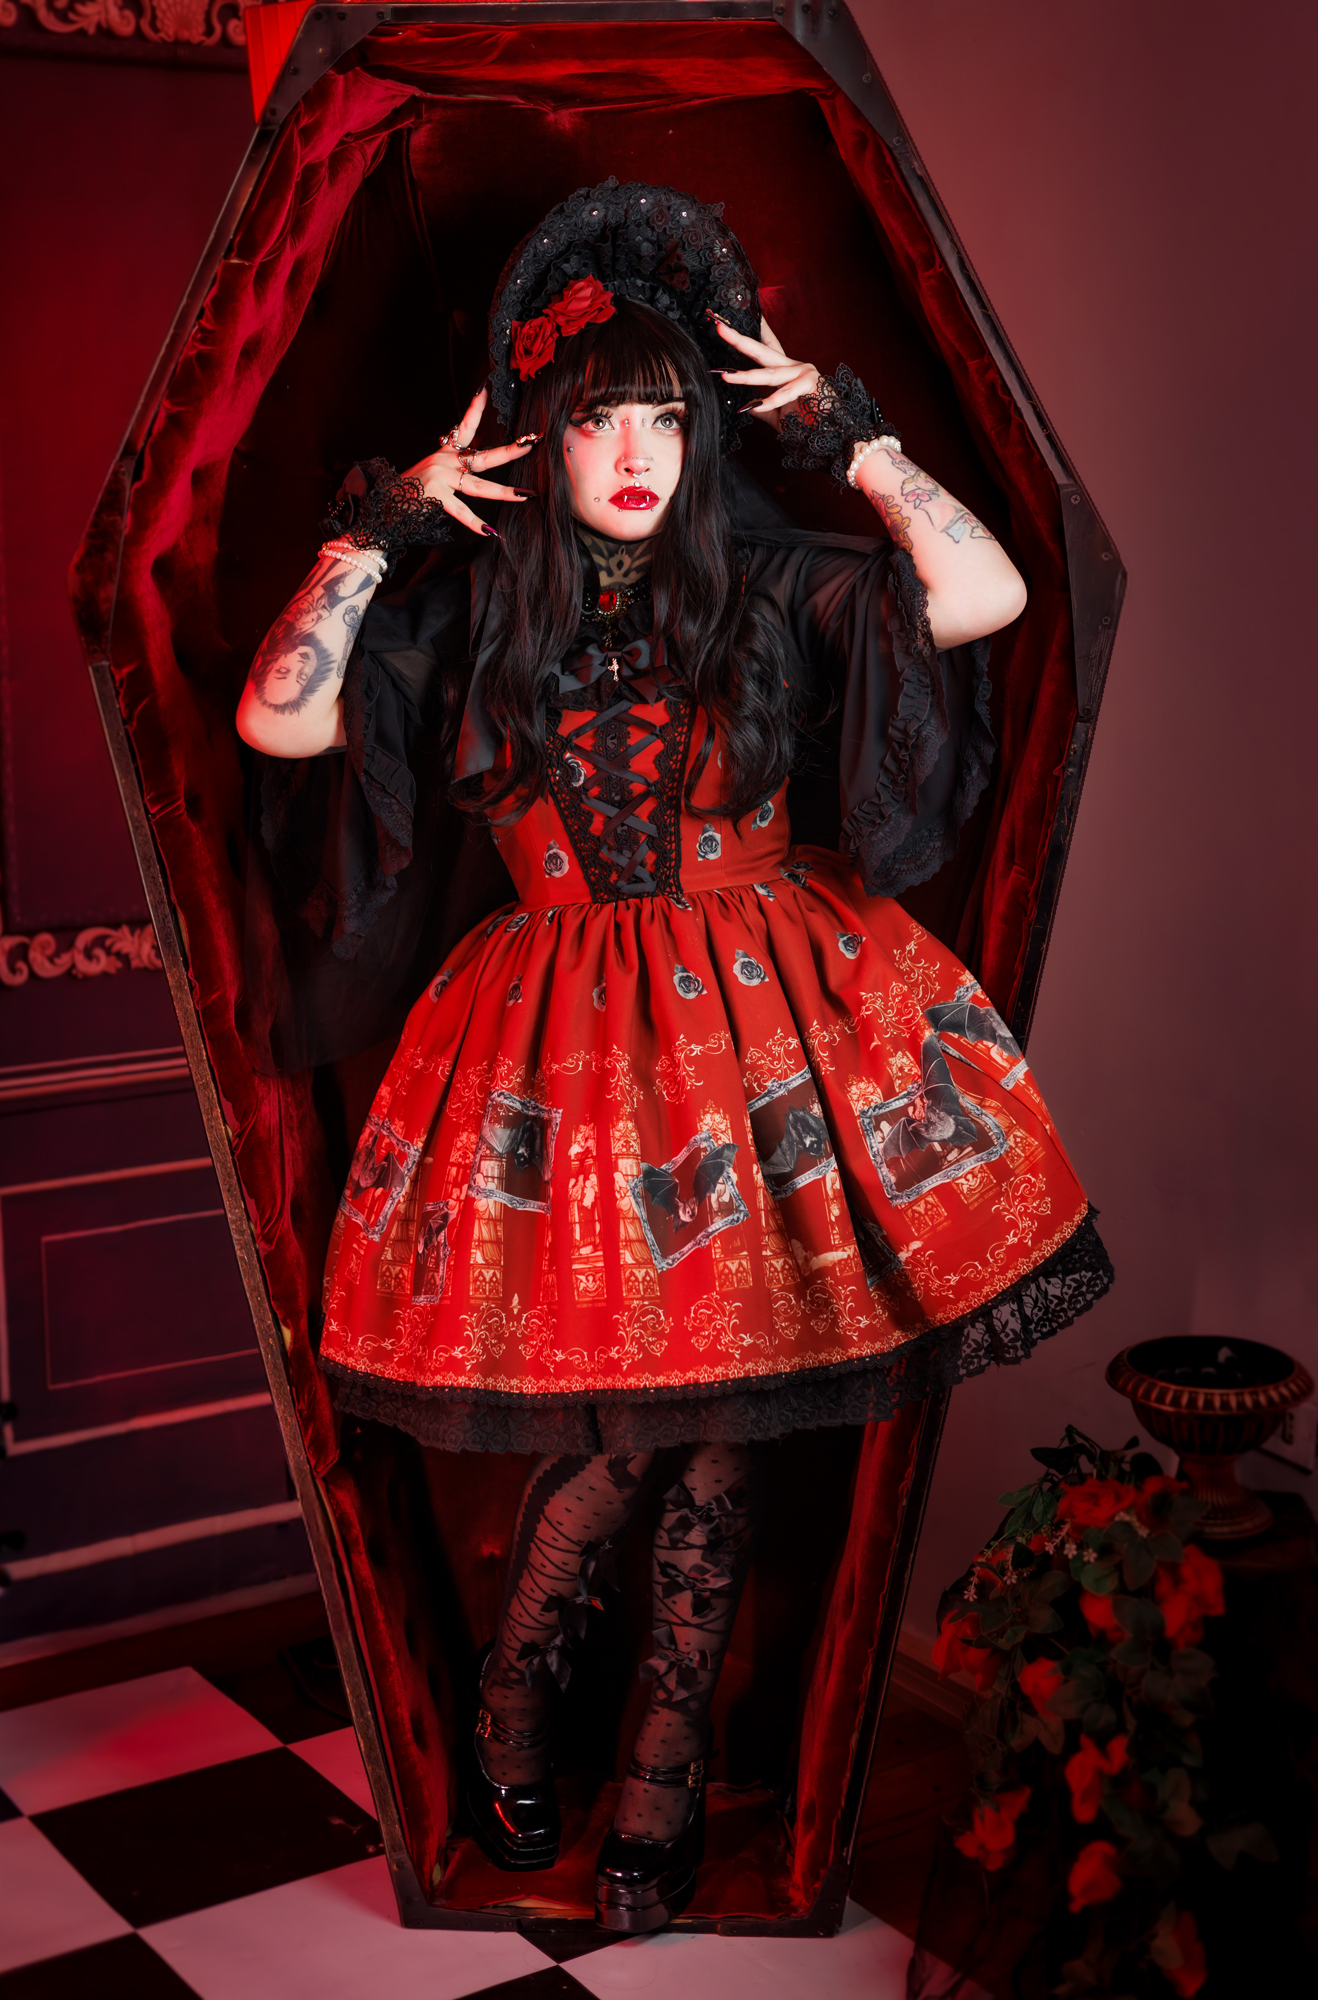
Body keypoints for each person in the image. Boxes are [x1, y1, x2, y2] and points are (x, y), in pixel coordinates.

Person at [236, 181, 1112, 1933]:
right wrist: (383, 530)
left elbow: (988, 591)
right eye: (595, 419)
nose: (635, 452)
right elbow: (281, 715)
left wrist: (848, 436)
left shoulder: (774, 578)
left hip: (773, 1024)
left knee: (720, 1435)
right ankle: (516, 1698)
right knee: (634, 1427)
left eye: (666, 416)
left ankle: (658, 1764)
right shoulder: (468, 605)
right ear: (535, 438)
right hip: (560, 1055)